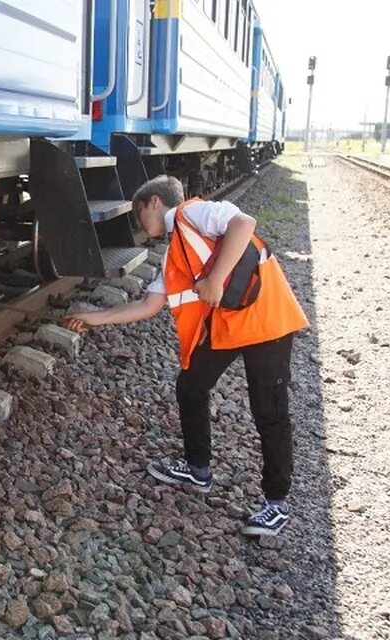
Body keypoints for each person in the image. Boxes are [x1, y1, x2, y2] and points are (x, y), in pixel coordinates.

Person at [64, 175, 308, 537]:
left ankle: (277, 504)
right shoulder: (174, 253)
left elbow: (244, 223)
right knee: (191, 384)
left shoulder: (194, 214)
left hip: (265, 319)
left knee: (269, 411)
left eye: (138, 214)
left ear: (154, 203)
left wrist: (214, 279)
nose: (139, 225)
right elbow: (147, 306)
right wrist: (91, 319)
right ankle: (198, 469)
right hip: (230, 324)